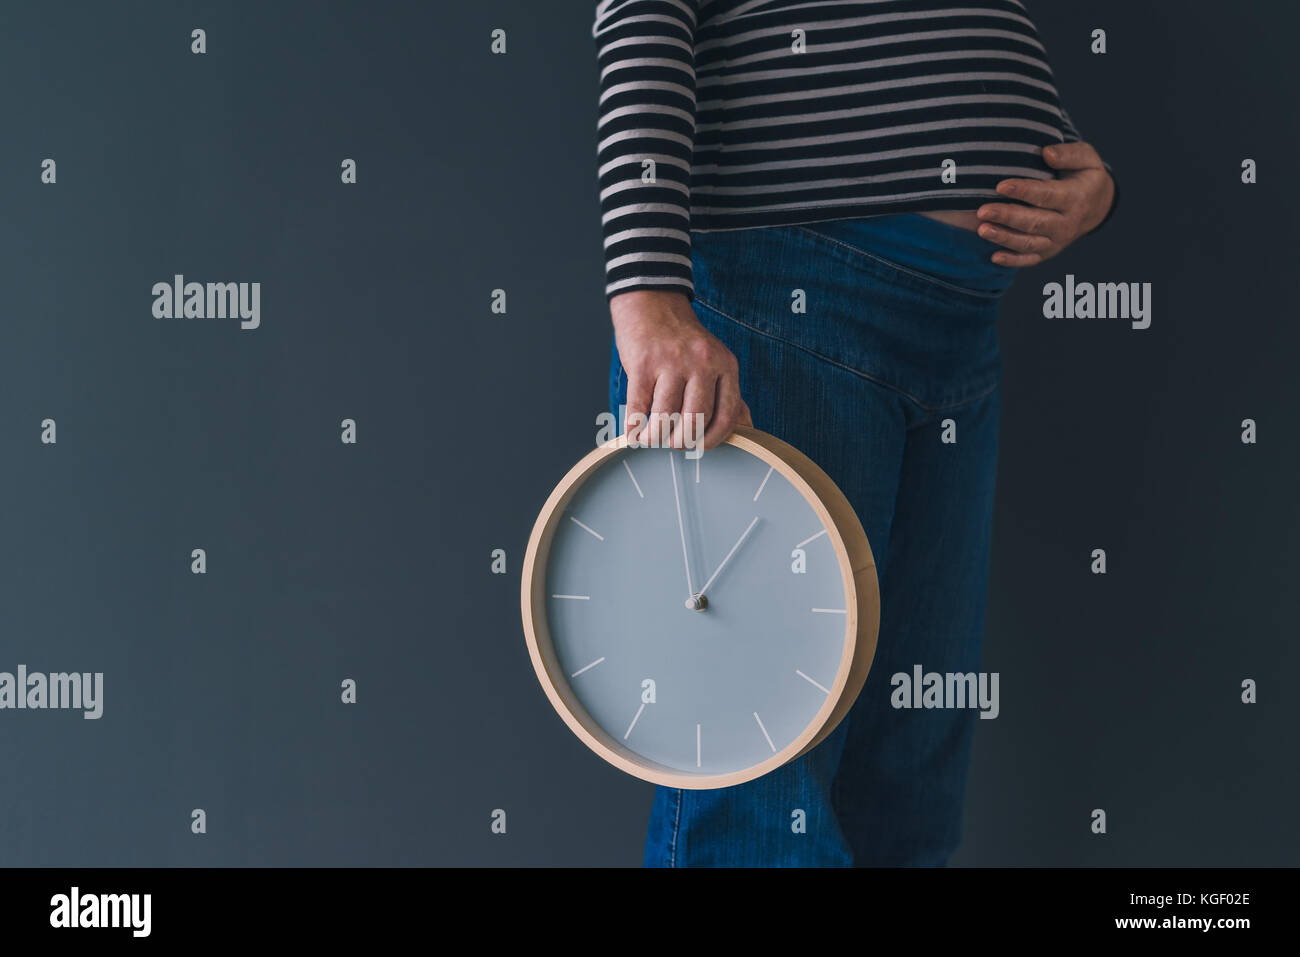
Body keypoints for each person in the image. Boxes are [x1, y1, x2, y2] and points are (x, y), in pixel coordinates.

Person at [594, 0, 1116, 866]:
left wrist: (1082, 179)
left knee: (909, 775)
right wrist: (647, 295)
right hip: (781, 293)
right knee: (760, 791)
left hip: (958, 327)